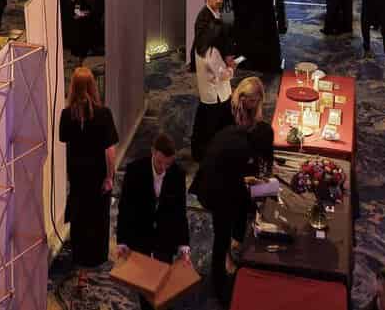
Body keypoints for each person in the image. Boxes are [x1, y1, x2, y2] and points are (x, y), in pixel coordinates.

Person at [192, 77, 272, 304]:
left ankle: (229, 258)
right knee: (221, 236)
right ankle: (221, 287)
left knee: (224, 232)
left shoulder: (227, 119)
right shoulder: (258, 133)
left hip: (216, 183)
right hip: (221, 190)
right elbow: (259, 170)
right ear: (258, 104)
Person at [59, 67, 119, 282]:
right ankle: (96, 256)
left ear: (72, 87)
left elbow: (65, 140)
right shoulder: (104, 114)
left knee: (80, 215)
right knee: (98, 215)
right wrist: (109, 177)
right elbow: (110, 151)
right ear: (93, 86)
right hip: (97, 174)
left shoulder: (66, 114)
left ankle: (80, 254)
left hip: (77, 174)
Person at [116, 132, 191, 276]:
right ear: (153, 152)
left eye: (168, 163)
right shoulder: (134, 171)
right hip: (140, 233)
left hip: (165, 237)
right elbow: (125, 208)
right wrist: (122, 241)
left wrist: (184, 245)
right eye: (159, 162)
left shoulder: (178, 175)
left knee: (162, 279)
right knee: (141, 279)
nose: (163, 168)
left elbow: (180, 212)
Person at [191, 0, 236, 162]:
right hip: (212, 78)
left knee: (209, 116)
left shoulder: (210, 18)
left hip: (213, 78)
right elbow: (211, 58)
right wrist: (230, 68)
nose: (218, 0)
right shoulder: (208, 27)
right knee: (212, 119)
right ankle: (209, 153)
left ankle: (207, 151)